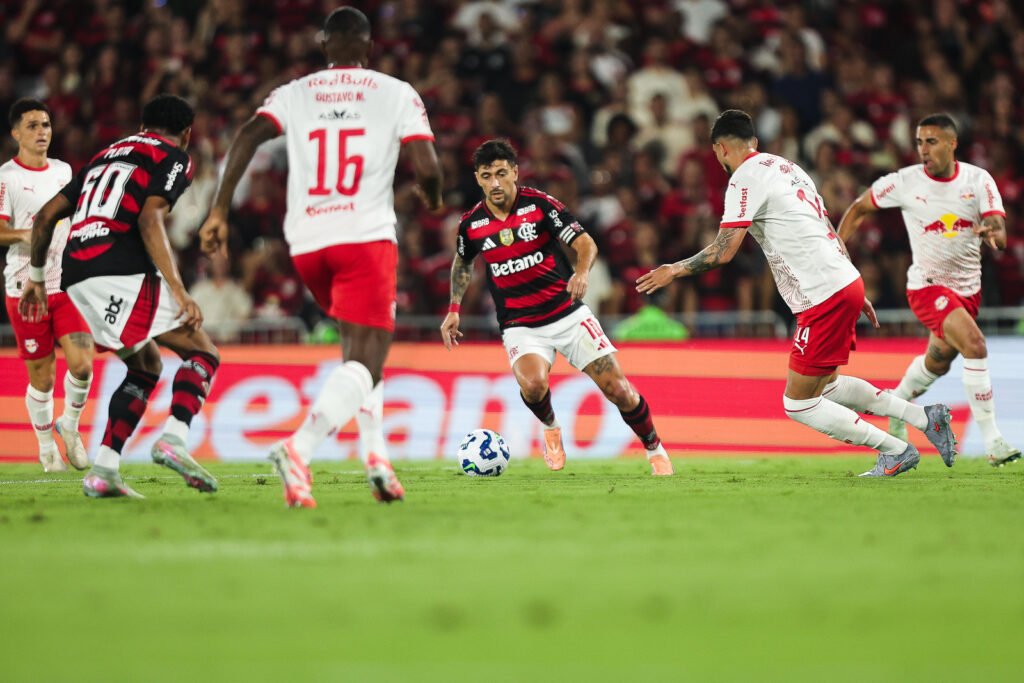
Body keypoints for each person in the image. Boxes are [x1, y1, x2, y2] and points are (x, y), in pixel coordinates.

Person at [199, 7, 443, 508]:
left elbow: (247, 135)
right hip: (365, 237)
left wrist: (219, 209)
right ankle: (298, 448)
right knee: (368, 359)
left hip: (307, 243)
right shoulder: (396, 92)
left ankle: (377, 458)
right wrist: (434, 195)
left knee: (357, 353)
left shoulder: (295, 92)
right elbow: (428, 165)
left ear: (324, 44)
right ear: (369, 47)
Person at [636, 109, 958, 477]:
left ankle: (895, 449)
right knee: (829, 386)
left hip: (824, 293)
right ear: (754, 142)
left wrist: (674, 269)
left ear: (720, 149)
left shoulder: (744, 179)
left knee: (798, 404)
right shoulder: (789, 168)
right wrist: (852, 283)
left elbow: (724, 250)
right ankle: (925, 417)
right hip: (840, 283)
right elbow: (825, 227)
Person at [20, 94, 219, 498]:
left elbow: (43, 219)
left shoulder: (103, 156)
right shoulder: (174, 156)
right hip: (118, 266)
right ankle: (174, 439)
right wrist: (179, 289)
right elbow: (149, 219)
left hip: (76, 272)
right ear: (185, 134)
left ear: (144, 125)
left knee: (145, 365)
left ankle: (105, 470)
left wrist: (38, 279)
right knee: (202, 352)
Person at [441, 139, 673, 476]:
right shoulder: (471, 224)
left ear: (515, 173)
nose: (494, 182)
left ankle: (655, 448)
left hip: (568, 314)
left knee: (619, 390)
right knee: (533, 386)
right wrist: (453, 308)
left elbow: (585, 243)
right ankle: (551, 428)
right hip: (519, 323)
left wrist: (581, 272)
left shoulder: (539, 205)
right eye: (486, 175)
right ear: (478, 179)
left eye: (501, 173)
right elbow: (462, 264)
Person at [837, 113, 1019, 467]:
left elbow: (998, 226)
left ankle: (898, 404)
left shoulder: (978, 180)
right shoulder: (904, 182)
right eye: (920, 142)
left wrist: (994, 234)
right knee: (975, 345)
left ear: (952, 144)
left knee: (939, 361)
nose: (923, 149)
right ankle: (994, 441)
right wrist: (836, 249)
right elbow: (860, 207)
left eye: (931, 141)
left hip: (968, 291)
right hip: (926, 287)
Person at [1, 99, 94, 473]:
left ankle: (69, 426)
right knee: (42, 377)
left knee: (83, 365)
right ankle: (44, 448)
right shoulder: (5, 177)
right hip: (25, 286)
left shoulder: (63, 171)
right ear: (16, 133)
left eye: (46, 125)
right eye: (34, 126)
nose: (43, 132)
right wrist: (34, 233)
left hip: (65, 282)